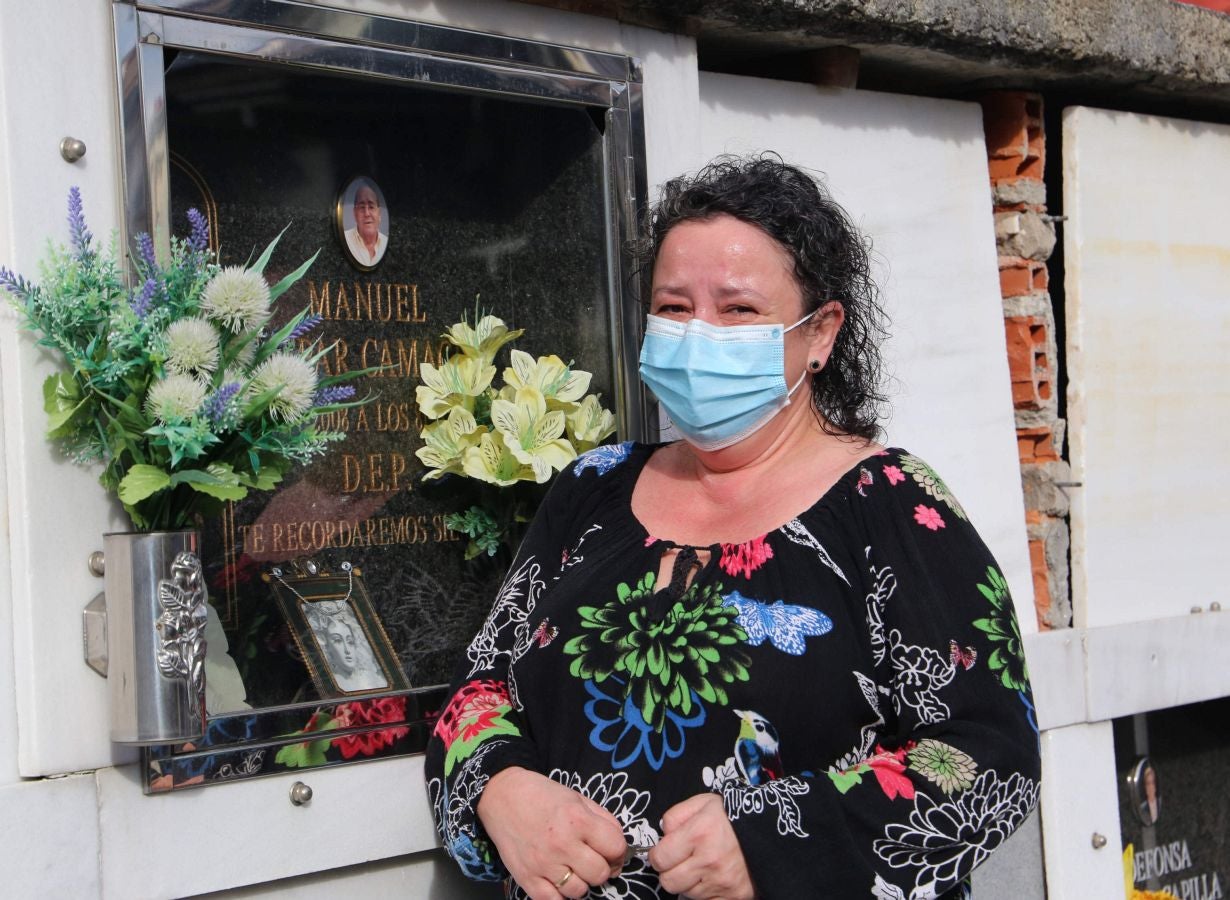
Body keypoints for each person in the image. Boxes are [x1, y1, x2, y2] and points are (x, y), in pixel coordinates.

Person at [425, 154, 1041, 899]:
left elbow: (988, 759)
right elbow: (480, 689)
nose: (698, 335)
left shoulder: (892, 508)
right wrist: (503, 791)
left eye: (739, 310)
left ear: (821, 334)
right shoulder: (591, 491)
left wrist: (775, 841)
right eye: (675, 308)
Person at [304, 601, 386, 692]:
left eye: (350, 642)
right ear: (326, 647)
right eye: (338, 641)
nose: (347, 650)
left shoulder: (375, 680)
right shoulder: (333, 684)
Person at [342, 180, 387, 267]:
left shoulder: (386, 243)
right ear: (355, 213)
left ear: (379, 213)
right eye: (362, 207)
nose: (367, 213)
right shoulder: (346, 240)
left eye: (371, 207)